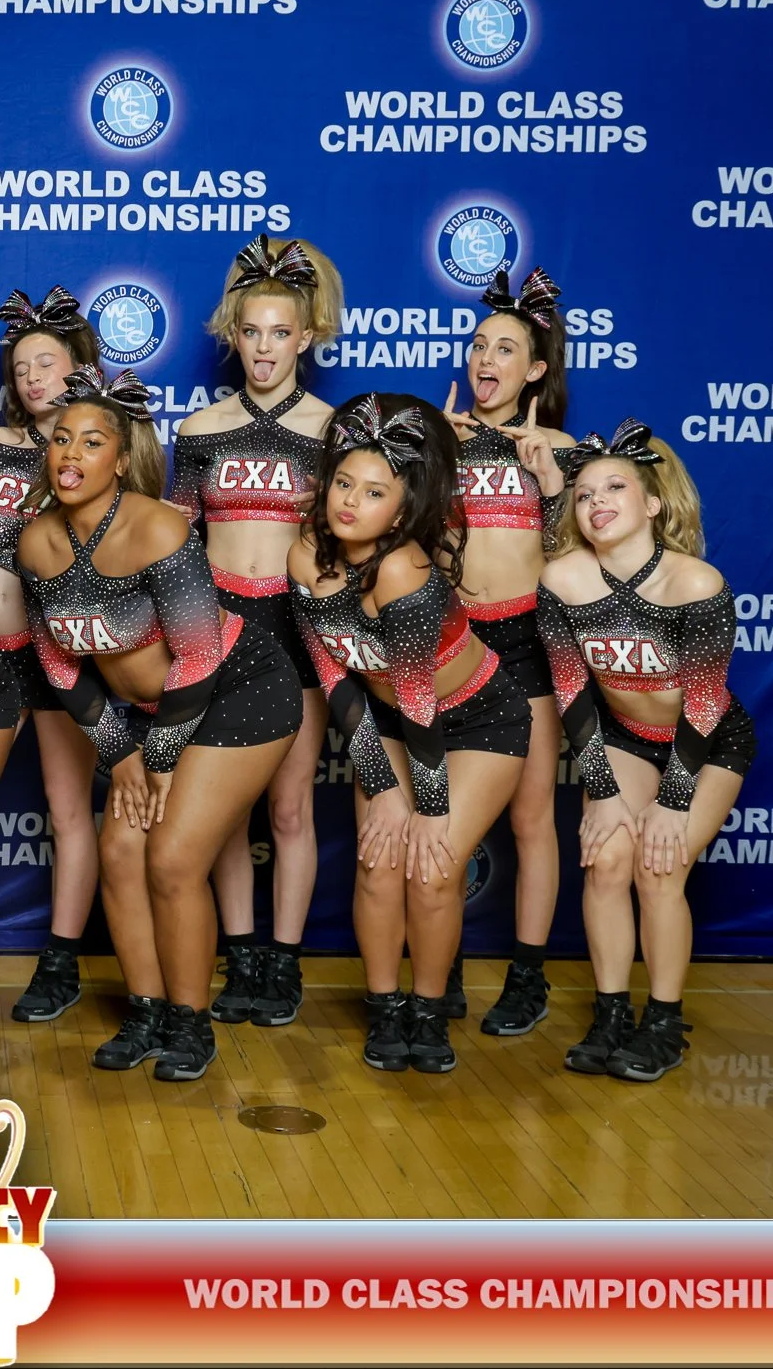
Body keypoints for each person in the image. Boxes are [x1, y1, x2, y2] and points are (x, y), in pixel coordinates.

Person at [19, 367, 301, 1081]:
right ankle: (145, 1010)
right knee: (120, 851)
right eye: (61, 440)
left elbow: (200, 651)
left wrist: (162, 759)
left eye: (92, 441)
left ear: (121, 457)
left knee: (172, 859)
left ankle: (190, 1021)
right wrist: (120, 756)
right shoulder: (35, 543)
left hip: (241, 689)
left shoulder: (157, 524)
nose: (72, 454)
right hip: (154, 712)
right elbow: (59, 667)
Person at [288, 395, 530, 1075]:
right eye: (343, 483)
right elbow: (336, 680)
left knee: (433, 868)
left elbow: (421, 698)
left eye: (372, 493)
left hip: (478, 716)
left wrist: (423, 805)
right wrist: (380, 786)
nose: (349, 502)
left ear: (401, 510)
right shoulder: (303, 555)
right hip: (388, 718)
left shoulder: (404, 570)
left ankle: (429, 1012)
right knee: (376, 866)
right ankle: (386, 1008)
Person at [537, 420, 755, 1082]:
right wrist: (602, 792)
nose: (596, 500)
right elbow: (573, 694)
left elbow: (704, 702)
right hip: (625, 738)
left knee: (659, 867)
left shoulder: (696, 584)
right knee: (605, 861)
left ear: (652, 503)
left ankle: (662, 1022)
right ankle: (610, 1015)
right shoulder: (564, 579)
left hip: (707, 743)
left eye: (615, 487)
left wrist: (673, 801)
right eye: (583, 493)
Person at [171, 235, 342, 1030]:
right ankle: (238, 950)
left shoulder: (333, 429)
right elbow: (174, 541)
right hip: (216, 626)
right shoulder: (199, 428)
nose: (266, 348)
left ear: (306, 336)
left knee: (290, 806)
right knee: (227, 810)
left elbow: (349, 536)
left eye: (282, 332)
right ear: (232, 336)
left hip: (295, 621)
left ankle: (282, 957)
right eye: (252, 332)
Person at [0, 286, 105, 1023]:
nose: (32, 378)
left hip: (66, 651)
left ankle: (61, 961)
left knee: (71, 811)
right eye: (20, 368)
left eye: (46, 363)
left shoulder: (104, 446)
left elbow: (98, 548)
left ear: (79, 367)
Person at [439, 266, 579, 1036]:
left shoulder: (562, 450)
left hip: (525, 639)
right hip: (453, 644)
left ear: (535, 369)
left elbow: (581, 565)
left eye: (506, 349)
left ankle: (528, 979)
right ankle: (443, 961)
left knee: (530, 821)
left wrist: (552, 484)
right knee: (448, 816)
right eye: (478, 345)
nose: (486, 359)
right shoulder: (434, 437)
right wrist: (429, 458)